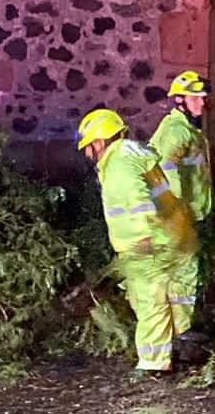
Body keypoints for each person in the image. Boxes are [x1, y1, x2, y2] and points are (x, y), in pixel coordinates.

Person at [76, 109, 196, 374]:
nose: (86, 154)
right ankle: (181, 340)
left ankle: (154, 365)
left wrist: (141, 240)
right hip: (175, 232)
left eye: (88, 147)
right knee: (173, 295)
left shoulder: (118, 163)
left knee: (149, 301)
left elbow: (136, 201)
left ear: (99, 142)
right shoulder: (134, 154)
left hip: (150, 243)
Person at [150, 71, 210, 349]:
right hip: (177, 216)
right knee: (183, 272)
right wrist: (177, 212)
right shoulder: (176, 131)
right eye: (195, 98)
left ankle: (177, 330)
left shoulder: (186, 129)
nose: (202, 104)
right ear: (179, 100)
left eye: (202, 98)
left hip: (184, 214)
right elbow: (168, 172)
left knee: (181, 271)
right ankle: (179, 333)